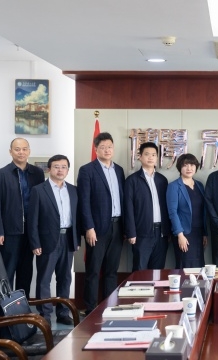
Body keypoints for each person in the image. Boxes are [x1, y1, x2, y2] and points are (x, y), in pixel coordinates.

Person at [27, 155, 78, 325]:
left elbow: (76, 217)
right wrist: (35, 243)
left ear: (68, 170)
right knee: (44, 279)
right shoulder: (39, 190)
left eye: (64, 167)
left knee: (65, 278)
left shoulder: (73, 190)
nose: (60, 170)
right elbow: (32, 219)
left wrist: (76, 239)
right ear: (49, 169)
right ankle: (45, 315)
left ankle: (63, 313)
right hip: (46, 241)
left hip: (68, 239)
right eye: (56, 167)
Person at [77, 132, 125, 315]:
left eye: (110, 147)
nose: (107, 150)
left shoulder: (119, 170)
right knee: (93, 270)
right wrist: (89, 228)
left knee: (112, 270)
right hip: (96, 229)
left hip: (117, 226)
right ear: (95, 149)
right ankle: (90, 308)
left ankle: (109, 305)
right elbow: (84, 202)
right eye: (103, 147)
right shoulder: (87, 170)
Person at [0, 138, 45, 295]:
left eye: (24, 149)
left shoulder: (37, 173)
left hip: (31, 231)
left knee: (26, 272)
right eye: (17, 149)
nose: (21, 152)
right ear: (10, 152)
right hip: (10, 231)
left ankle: (23, 304)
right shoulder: (2, 174)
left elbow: (41, 201)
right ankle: (6, 306)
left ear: (29, 151)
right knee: (7, 271)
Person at [125, 142, 170, 270]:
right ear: (140, 157)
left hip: (161, 233)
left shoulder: (162, 180)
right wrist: (131, 232)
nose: (150, 157)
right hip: (141, 233)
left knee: (157, 271)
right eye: (147, 154)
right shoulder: (132, 180)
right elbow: (128, 208)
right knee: (140, 270)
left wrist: (168, 231)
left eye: (153, 155)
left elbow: (167, 207)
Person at [166, 153, 207, 268]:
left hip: (198, 233)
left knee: (199, 267)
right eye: (185, 165)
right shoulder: (174, 186)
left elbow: (202, 211)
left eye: (192, 165)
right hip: (184, 233)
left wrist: (205, 233)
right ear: (180, 167)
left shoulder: (199, 185)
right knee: (185, 267)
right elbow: (172, 212)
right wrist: (180, 235)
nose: (189, 168)